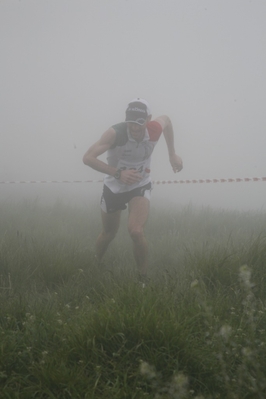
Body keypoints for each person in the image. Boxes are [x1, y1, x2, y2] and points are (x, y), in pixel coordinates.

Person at [83, 98, 183, 283]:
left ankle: (142, 280)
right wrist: (117, 173)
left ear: (148, 119)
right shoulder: (115, 133)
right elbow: (87, 158)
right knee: (108, 234)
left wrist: (172, 154)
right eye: (131, 122)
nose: (135, 128)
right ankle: (94, 264)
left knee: (136, 232)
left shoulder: (154, 128)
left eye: (139, 122)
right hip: (114, 186)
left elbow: (167, 120)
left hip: (140, 184)